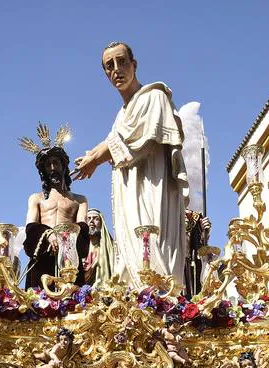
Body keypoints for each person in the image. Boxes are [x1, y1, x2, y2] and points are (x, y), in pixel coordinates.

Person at [74, 42, 189, 288]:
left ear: (134, 65)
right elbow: (115, 139)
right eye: (109, 65)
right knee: (132, 253)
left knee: (155, 249)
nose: (117, 69)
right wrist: (94, 155)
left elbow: (132, 141)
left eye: (122, 61)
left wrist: (94, 159)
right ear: (105, 74)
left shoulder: (154, 96)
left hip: (153, 188)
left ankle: (162, 301)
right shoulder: (121, 114)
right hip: (130, 193)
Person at [22, 137, 89, 290]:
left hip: (69, 259)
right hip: (43, 256)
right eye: (48, 165)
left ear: (64, 166)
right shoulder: (36, 198)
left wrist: (65, 241)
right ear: (44, 170)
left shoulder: (80, 200)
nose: (52, 168)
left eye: (56, 163)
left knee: (73, 306)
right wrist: (48, 234)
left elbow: (82, 229)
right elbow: (31, 227)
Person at [83, 208, 114, 287]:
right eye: (88, 218)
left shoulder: (110, 247)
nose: (91, 221)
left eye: (96, 219)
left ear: (101, 223)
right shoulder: (80, 247)